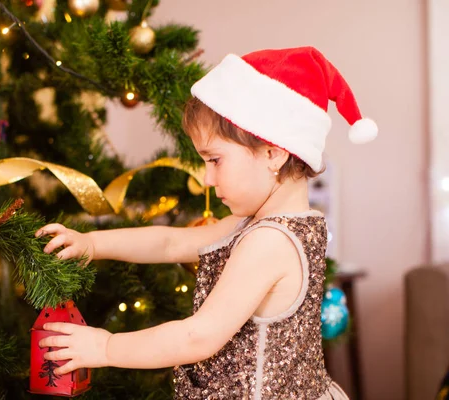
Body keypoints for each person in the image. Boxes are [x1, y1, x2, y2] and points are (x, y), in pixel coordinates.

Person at [35, 46, 377, 399]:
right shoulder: (272, 224)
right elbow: (171, 243)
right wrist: (94, 244)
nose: (208, 178)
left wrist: (106, 348)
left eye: (215, 160)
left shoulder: (270, 241)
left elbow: (198, 337)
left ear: (273, 153)